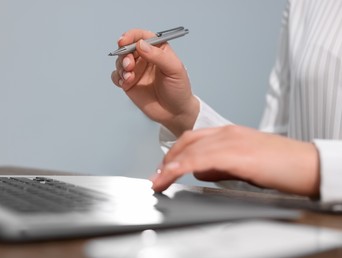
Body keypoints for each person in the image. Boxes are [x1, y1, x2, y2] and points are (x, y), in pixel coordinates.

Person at [111, 0, 342, 203]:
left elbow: (289, 161)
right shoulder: (304, 4)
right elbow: (272, 168)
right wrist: (181, 115)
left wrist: (317, 166)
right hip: (308, 238)